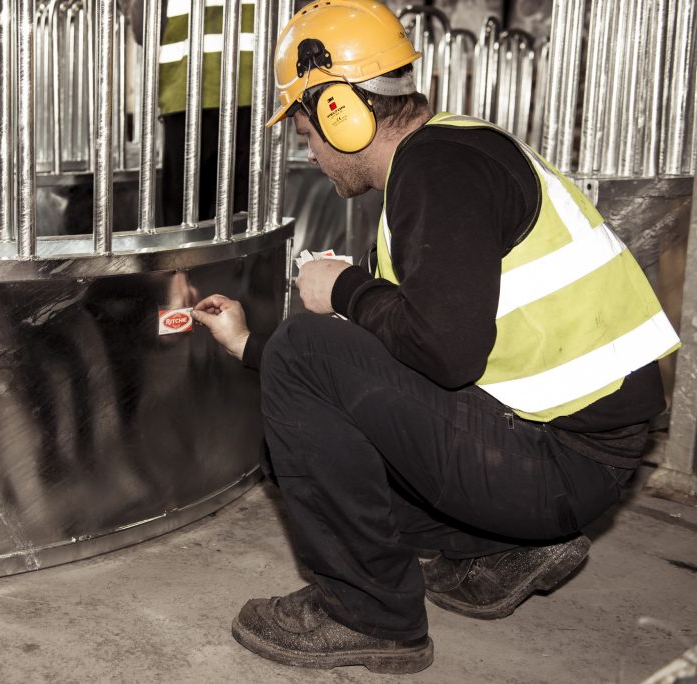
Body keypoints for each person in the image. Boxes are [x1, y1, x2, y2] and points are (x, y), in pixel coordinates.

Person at [191, 0, 680, 674]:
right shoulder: (445, 159)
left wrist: (341, 290)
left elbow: (444, 354)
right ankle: (492, 549)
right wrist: (249, 343)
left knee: (306, 356)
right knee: (295, 423)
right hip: (556, 450)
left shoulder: (441, 170)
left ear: (342, 110)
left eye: (306, 131)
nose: (310, 152)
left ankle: (369, 615)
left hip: (564, 462)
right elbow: (379, 355)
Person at [120, 0, 253, 225]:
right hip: (245, 84)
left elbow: (145, 29)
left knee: (184, 218)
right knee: (237, 216)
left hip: (185, 88)